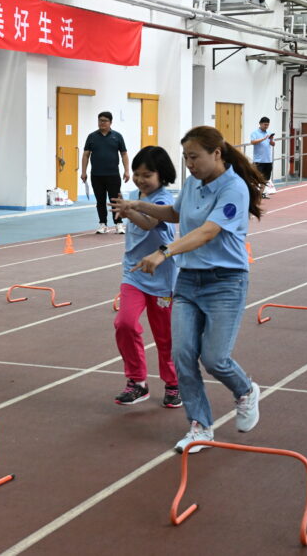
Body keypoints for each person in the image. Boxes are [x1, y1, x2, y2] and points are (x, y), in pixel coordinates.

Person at [111, 125, 265, 454]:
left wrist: (164, 252)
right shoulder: (193, 184)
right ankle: (200, 426)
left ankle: (245, 391)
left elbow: (208, 232)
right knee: (182, 356)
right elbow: (173, 213)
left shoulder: (233, 189)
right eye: (185, 158)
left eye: (194, 157)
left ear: (217, 154)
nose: (190, 164)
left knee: (214, 358)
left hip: (226, 281)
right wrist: (136, 205)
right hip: (189, 281)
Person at [112, 146, 181, 409]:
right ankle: (137, 382)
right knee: (125, 323)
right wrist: (127, 209)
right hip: (133, 275)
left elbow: (149, 222)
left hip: (161, 278)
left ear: (162, 176)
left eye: (148, 174)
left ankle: (173, 384)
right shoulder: (133, 196)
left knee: (165, 337)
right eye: (138, 174)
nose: (141, 179)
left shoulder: (164, 200)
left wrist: (130, 211)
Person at [81, 111, 130, 234]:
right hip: (96, 175)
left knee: (115, 200)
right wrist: (83, 172)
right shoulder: (92, 137)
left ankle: (118, 224)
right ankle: (102, 224)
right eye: (100, 120)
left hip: (113, 174)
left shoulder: (117, 136)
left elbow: (124, 154)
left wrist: (127, 170)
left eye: (104, 121)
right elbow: (86, 155)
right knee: (100, 200)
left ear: (110, 122)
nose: (101, 123)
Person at [249, 116, 276, 199]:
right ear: (260, 124)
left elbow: (273, 144)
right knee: (255, 178)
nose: (266, 126)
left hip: (268, 160)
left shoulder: (269, 132)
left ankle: (260, 194)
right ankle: (252, 194)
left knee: (266, 179)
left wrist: (271, 140)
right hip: (258, 160)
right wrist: (263, 138)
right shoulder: (255, 133)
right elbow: (252, 142)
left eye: (267, 125)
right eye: (264, 124)